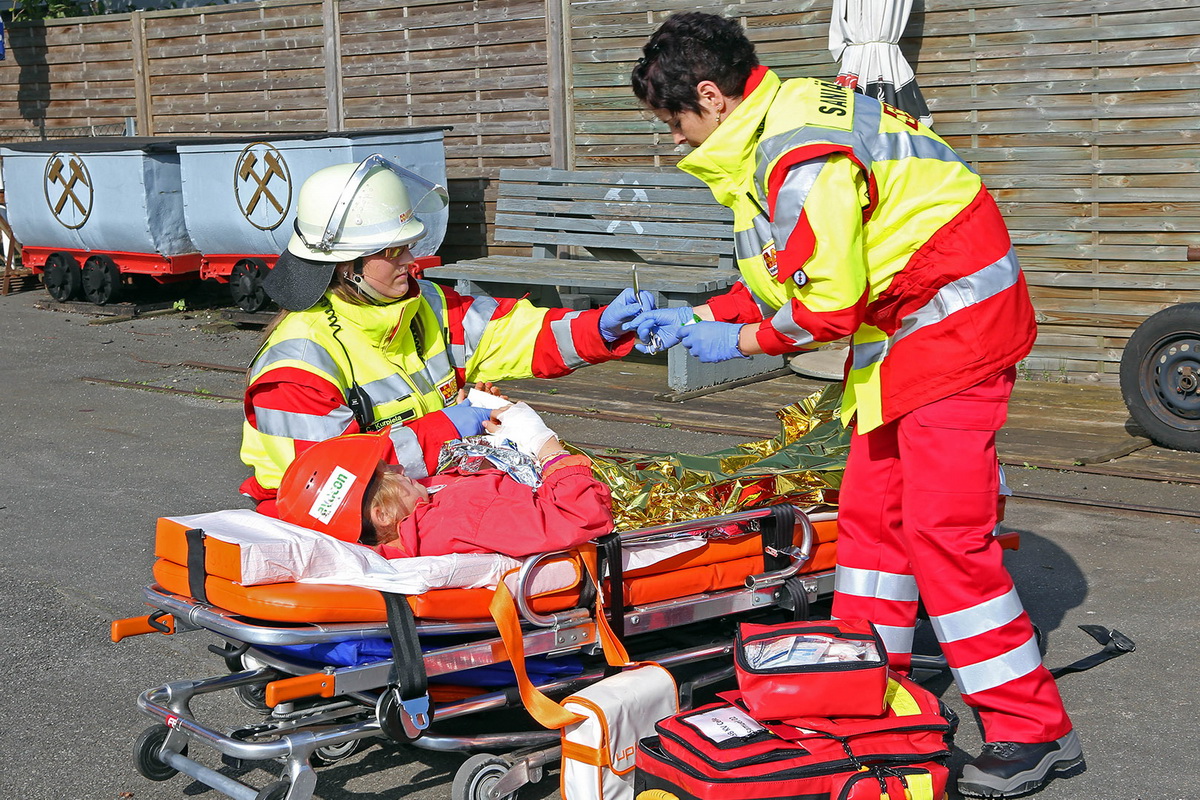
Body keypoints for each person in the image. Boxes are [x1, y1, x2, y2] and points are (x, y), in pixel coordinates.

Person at [629, 13, 1080, 799]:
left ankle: (1030, 731)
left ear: (711, 96)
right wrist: (706, 315)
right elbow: (791, 273)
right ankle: (865, 686)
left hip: (953, 325)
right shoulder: (782, 125)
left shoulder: (793, 155)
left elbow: (827, 305)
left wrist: (734, 345)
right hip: (913, 325)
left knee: (946, 535)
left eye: (675, 121)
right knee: (873, 519)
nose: (673, 140)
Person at [241, 155, 652, 514]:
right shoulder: (297, 367)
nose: (411, 261)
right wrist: (449, 428)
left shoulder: (428, 305)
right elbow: (334, 481)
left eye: (409, 245)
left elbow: (512, 334)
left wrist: (599, 328)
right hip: (328, 520)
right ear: (348, 265)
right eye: (392, 251)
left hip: (409, 494)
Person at [274, 401, 613, 559]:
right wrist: (544, 444)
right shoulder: (460, 515)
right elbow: (581, 517)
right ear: (382, 515)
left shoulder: (419, 525)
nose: (401, 469)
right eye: (387, 473)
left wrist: (500, 444)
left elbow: (453, 488)